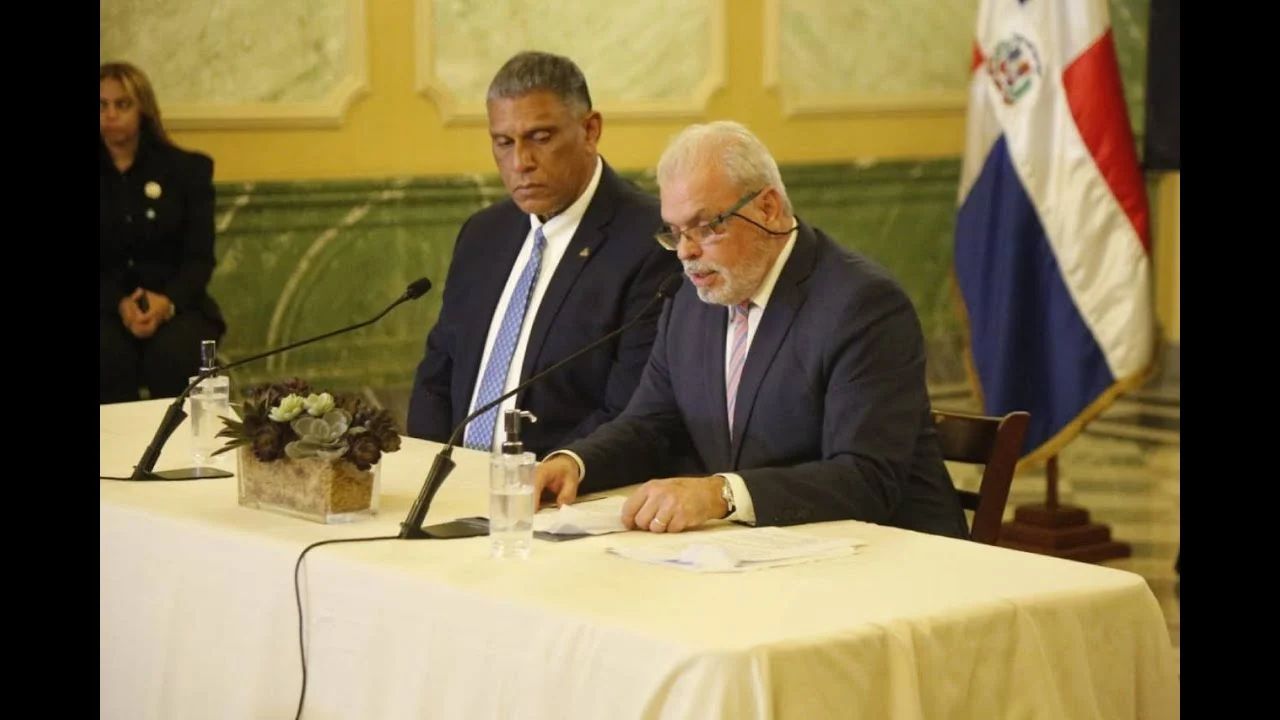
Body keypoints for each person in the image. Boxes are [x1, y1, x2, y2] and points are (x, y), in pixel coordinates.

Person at [533, 120, 970, 539]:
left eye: (705, 227)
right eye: (675, 232)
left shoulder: (861, 305)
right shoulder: (690, 302)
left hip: (896, 557)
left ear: (768, 208)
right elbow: (651, 424)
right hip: (764, 552)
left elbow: (866, 478)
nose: (685, 252)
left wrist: (721, 495)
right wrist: (575, 464)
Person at [406, 51, 681, 458]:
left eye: (540, 137)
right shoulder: (483, 234)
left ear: (590, 130)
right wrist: (427, 469)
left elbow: (630, 408)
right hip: (454, 481)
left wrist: (538, 477)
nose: (521, 162)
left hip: (566, 486)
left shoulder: (650, 242)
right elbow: (437, 374)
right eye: (504, 142)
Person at [100, 61, 226, 404]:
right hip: (105, 306)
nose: (110, 115)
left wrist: (166, 302)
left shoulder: (186, 170)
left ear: (142, 108)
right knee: (108, 357)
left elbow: (199, 259)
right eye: (102, 105)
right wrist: (118, 303)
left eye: (122, 104)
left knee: (174, 356)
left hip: (176, 305)